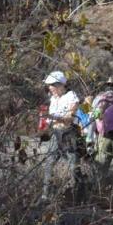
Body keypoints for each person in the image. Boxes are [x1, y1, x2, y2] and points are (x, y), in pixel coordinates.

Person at [40, 71, 85, 202]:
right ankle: (45, 195)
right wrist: (50, 120)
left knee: (73, 166)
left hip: (69, 134)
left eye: (51, 85)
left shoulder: (71, 96)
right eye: (48, 85)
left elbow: (69, 118)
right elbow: (50, 121)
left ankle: (77, 198)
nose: (49, 88)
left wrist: (53, 118)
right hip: (56, 134)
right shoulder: (53, 99)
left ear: (60, 85)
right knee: (49, 164)